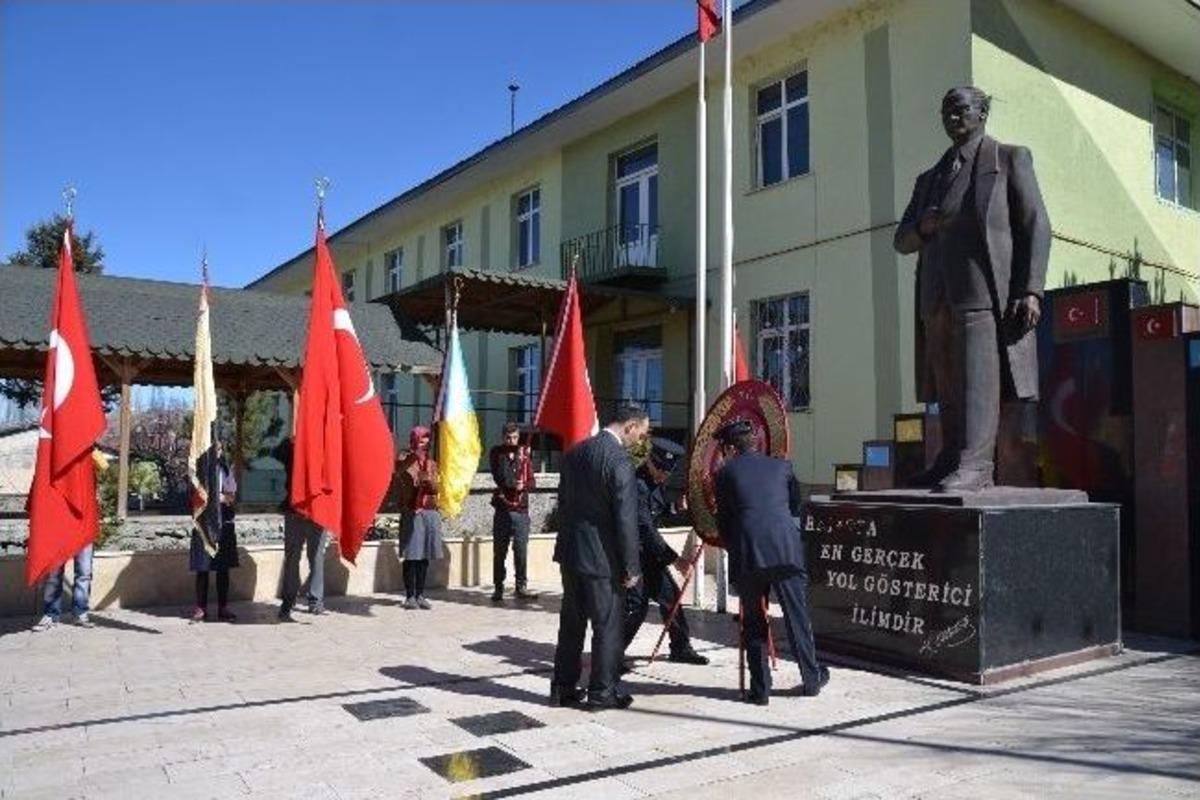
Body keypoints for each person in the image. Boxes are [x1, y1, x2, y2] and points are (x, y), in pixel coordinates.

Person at [894, 86, 1050, 492]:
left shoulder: (1009, 159)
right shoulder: (928, 180)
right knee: (946, 384)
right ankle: (950, 457)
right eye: (945, 111)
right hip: (935, 297)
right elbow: (902, 241)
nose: (952, 117)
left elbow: (1036, 224)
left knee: (978, 380)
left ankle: (977, 464)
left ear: (982, 113)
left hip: (983, 294)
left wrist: (1031, 289)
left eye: (961, 109)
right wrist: (923, 226)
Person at [714, 419, 828, 705]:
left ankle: (760, 689)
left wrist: (736, 547)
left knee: (754, 623)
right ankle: (811, 679)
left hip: (749, 555)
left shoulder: (725, 474)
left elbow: (724, 522)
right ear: (756, 442)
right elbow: (794, 507)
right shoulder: (783, 467)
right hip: (786, 551)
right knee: (797, 617)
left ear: (730, 449)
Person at [550, 403, 648, 711]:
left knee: (572, 624)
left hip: (571, 553)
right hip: (602, 559)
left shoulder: (575, 454)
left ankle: (562, 689)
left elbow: (563, 505)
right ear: (630, 427)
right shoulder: (619, 460)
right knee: (607, 626)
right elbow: (626, 519)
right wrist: (631, 566)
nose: (640, 441)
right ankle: (601, 692)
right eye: (640, 434)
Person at [622, 437, 709, 667]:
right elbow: (645, 529)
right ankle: (612, 655)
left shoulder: (655, 481)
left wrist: (675, 508)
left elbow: (656, 511)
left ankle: (681, 648)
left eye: (667, 472)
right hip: (632, 556)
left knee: (671, 597)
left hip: (650, 554)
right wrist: (676, 560)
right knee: (636, 607)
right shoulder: (635, 484)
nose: (663, 475)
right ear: (650, 461)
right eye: (660, 469)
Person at [277, 437, 330, 622]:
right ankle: (288, 600)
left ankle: (315, 601)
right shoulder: (292, 447)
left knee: (316, 557)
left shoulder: (325, 449)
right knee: (292, 557)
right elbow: (278, 453)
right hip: (295, 509)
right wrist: (295, 441)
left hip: (317, 510)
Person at [189, 441, 239, 623]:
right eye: (214, 448)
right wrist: (216, 498)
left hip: (223, 521)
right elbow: (196, 494)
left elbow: (231, 495)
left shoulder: (225, 469)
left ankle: (223, 607)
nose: (218, 452)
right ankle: (200, 608)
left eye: (220, 449)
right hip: (204, 522)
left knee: (223, 568)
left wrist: (224, 498)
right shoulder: (200, 470)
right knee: (203, 568)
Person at [396, 425, 444, 610]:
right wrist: (414, 464)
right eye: (421, 439)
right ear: (414, 440)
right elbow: (399, 475)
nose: (424, 443)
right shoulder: (404, 459)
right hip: (412, 511)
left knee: (424, 555)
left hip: (429, 511)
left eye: (426, 439)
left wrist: (429, 481)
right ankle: (410, 596)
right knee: (412, 555)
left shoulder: (431, 463)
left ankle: (420, 594)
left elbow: (436, 488)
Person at [490, 422, 537, 603]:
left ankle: (521, 586)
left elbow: (532, 482)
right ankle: (498, 587)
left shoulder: (524, 455)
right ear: (503, 437)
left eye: (515, 437)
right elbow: (500, 476)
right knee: (500, 551)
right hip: (503, 508)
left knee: (521, 550)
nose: (512, 441)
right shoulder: (497, 453)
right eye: (508, 438)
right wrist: (513, 483)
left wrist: (524, 484)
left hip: (521, 510)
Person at [31, 544, 95, 630]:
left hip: (84, 536)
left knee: (84, 574)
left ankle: (80, 613)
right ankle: (51, 615)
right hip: (57, 536)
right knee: (53, 574)